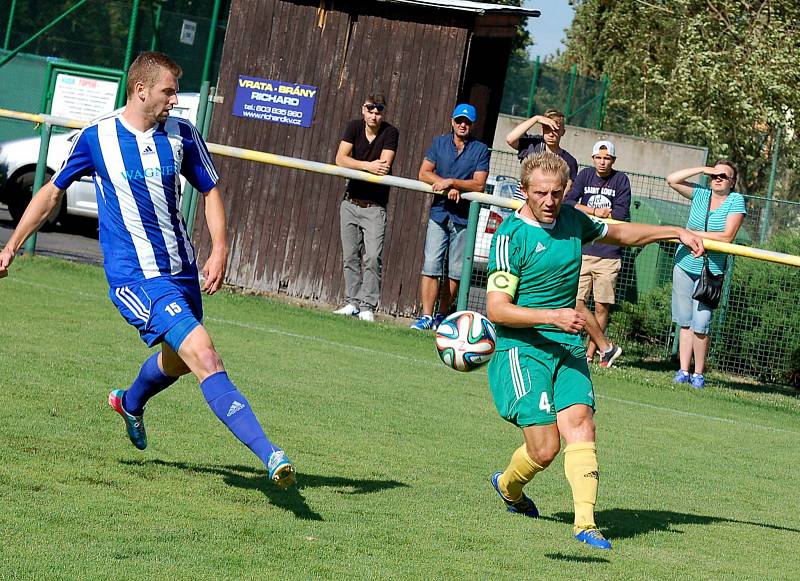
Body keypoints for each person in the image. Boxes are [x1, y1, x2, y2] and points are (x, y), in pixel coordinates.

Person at [0, 52, 296, 490]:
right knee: (206, 355)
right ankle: (271, 455)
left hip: (182, 271)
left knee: (178, 361)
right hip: (135, 277)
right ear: (141, 90)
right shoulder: (97, 138)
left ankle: (129, 401)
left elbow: (210, 190)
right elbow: (50, 193)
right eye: (169, 91)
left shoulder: (182, 135)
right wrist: (11, 246)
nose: (175, 100)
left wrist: (220, 249)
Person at [486, 152, 704, 550]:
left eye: (556, 192)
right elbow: (497, 309)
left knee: (582, 425)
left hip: (567, 346)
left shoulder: (573, 220)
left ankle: (585, 524)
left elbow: (620, 234)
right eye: (540, 193)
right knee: (546, 449)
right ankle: (509, 486)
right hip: (522, 349)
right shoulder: (509, 236)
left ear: (567, 190)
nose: (549, 201)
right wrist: (552, 317)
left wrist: (674, 231)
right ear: (524, 191)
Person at [666, 161, 746, 389]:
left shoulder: (735, 201)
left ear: (732, 183)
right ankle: (683, 370)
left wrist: (689, 233)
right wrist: (701, 169)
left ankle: (698, 374)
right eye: (714, 174)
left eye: (723, 176)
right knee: (685, 321)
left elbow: (727, 236)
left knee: (701, 324)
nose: (717, 178)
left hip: (710, 271)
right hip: (684, 264)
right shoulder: (700, 194)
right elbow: (672, 179)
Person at [410, 103, 490, 330]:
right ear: (452, 121)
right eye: (459, 120)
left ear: (472, 125)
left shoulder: (480, 149)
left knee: (456, 271)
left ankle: (441, 316)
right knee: (431, 265)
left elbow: (479, 183)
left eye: (467, 122)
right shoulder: (439, 143)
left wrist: (454, 183)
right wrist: (444, 185)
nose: (462, 125)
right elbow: (424, 172)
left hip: (464, 218)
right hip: (439, 213)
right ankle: (426, 316)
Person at [332, 94, 399, 322]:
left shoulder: (390, 133)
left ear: (383, 113)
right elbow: (340, 159)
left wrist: (362, 165)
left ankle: (367, 306)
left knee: (372, 257)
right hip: (350, 202)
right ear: (363, 109)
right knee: (350, 256)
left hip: (375, 206)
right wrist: (367, 166)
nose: (374, 115)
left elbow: (384, 167)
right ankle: (352, 302)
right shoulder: (353, 127)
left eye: (378, 111)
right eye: (370, 110)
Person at [565, 140, 631, 367]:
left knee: (602, 305)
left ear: (613, 160)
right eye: (599, 158)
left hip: (609, 252)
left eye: (607, 158)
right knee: (575, 301)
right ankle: (604, 347)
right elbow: (569, 202)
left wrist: (599, 215)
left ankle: (592, 353)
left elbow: (621, 215)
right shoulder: (584, 176)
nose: (602, 162)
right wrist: (594, 211)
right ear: (593, 158)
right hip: (584, 248)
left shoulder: (621, 180)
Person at [505, 108, 578, 195]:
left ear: (563, 132)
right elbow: (510, 139)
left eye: (556, 130)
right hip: (521, 202)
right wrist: (536, 119)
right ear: (542, 129)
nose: (551, 134)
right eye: (547, 129)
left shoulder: (569, 161)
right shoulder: (533, 145)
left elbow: (565, 192)